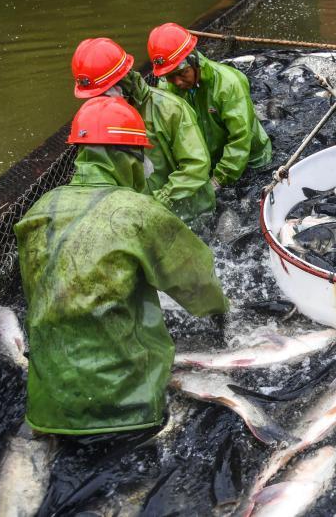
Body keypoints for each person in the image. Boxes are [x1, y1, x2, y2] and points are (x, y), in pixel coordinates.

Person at [15, 96, 229, 435]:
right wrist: (223, 314)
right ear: (127, 157)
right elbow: (197, 283)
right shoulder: (137, 211)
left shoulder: (40, 210)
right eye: (141, 155)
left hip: (47, 408)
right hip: (128, 406)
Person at [72, 37, 215, 223]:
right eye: (95, 96)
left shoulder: (169, 109)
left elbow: (197, 165)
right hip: (142, 220)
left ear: (124, 81)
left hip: (190, 213)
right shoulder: (97, 122)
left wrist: (160, 201)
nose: (101, 101)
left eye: (105, 94)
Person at [151, 23, 273, 187]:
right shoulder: (167, 89)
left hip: (251, 161)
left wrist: (217, 181)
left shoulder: (228, 85)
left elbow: (240, 139)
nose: (177, 82)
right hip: (210, 162)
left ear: (194, 61)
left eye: (182, 73)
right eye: (169, 76)